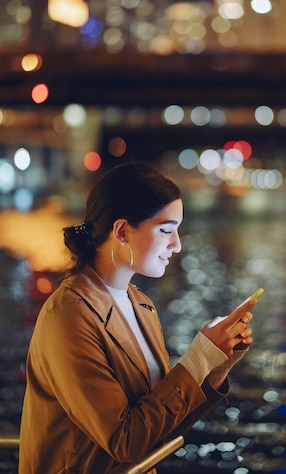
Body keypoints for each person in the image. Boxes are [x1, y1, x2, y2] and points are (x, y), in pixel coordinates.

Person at [18, 161, 257, 474]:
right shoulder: (69, 315)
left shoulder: (140, 305)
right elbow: (125, 441)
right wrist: (198, 356)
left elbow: (158, 424)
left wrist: (216, 362)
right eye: (166, 230)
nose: (177, 245)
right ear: (121, 231)